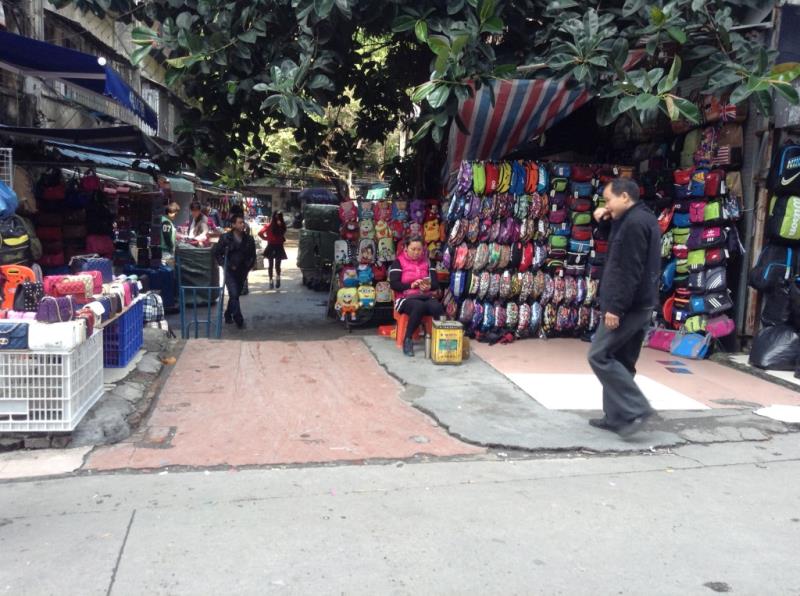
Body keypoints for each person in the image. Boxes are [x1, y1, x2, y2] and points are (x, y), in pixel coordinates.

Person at [587, 177, 662, 437]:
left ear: (625, 197)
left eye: (608, 200)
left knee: (599, 355)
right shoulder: (640, 219)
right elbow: (621, 247)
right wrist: (605, 219)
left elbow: (627, 269)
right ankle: (618, 417)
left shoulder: (634, 223)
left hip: (628, 305)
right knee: (622, 360)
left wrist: (615, 308)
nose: (606, 205)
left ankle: (636, 407)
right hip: (640, 304)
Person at [389, 236, 444, 357]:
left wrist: (428, 286)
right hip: (405, 298)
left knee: (437, 307)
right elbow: (394, 284)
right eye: (413, 249)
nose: (416, 252)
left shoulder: (428, 262)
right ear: (406, 248)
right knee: (418, 306)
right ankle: (407, 339)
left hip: (425, 296)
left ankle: (440, 339)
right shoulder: (398, 262)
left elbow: (435, 284)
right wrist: (411, 285)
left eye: (419, 249)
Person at [212, 213, 256, 329]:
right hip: (229, 271)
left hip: (242, 271)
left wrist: (248, 266)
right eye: (240, 223)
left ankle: (227, 314)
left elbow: (253, 255)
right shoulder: (225, 238)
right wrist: (224, 265)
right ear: (233, 224)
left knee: (235, 295)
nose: (242, 225)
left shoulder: (249, 239)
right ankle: (238, 319)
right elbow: (217, 253)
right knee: (234, 293)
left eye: (243, 222)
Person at [258, 211, 288, 289]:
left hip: (272, 246)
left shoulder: (271, 226)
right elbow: (260, 233)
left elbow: (260, 233)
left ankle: (272, 280)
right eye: (277, 217)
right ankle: (275, 279)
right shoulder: (280, 226)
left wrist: (266, 238)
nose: (278, 219)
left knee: (271, 265)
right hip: (276, 246)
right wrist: (267, 238)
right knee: (276, 265)